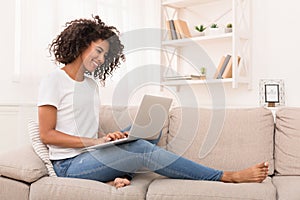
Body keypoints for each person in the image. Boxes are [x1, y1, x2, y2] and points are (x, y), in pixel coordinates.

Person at [38, 15, 269, 189]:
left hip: (92, 154)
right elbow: (47, 135)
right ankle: (224, 176)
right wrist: (96, 141)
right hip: (69, 166)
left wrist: (111, 138)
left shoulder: (90, 85)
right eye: (97, 51)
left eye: (104, 55)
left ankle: (120, 175)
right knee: (139, 148)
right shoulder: (54, 80)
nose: (100, 59)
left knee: (149, 130)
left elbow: (83, 125)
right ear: (81, 44)